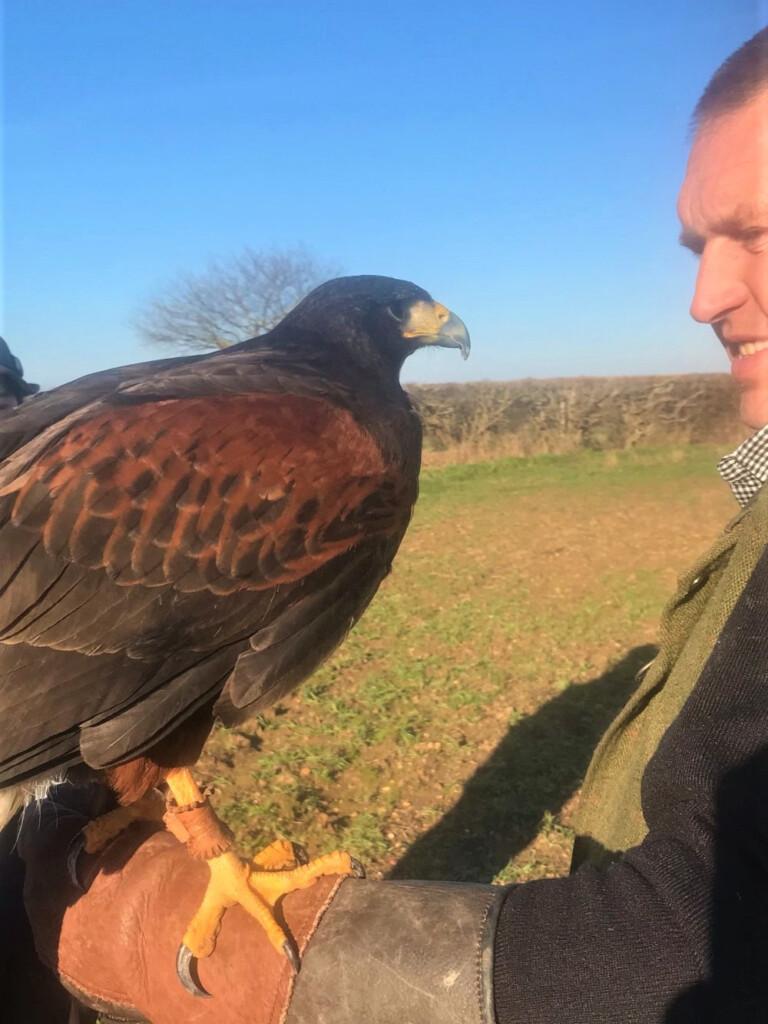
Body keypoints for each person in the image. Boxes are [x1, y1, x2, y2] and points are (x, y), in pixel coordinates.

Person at [16, 26, 768, 1024]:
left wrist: (302, 975)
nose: (704, 296)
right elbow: (153, 659)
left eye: (753, 236)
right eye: (410, 312)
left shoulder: (315, 426)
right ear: (356, 322)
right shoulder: (303, 431)